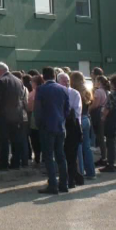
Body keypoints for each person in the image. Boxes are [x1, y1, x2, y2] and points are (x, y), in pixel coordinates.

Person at [32, 67, 69, 195]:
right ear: (54, 75)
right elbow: (67, 109)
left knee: (48, 156)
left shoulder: (41, 89)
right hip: (60, 126)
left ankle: (52, 184)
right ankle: (64, 183)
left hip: (47, 127)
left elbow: (38, 110)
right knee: (61, 155)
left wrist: (39, 124)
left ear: (43, 77)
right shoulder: (63, 89)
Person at [0, 62, 27, 171]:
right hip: (16, 115)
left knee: (3, 140)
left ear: (0, 71)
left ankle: (3, 163)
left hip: (3, 116)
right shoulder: (18, 81)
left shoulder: (1, 82)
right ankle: (15, 162)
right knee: (15, 140)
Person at [56, 72, 85, 188]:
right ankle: (69, 177)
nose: (66, 82)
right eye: (63, 80)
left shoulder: (74, 93)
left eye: (67, 80)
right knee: (63, 154)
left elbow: (77, 111)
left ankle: (72, 179)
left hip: (72, 125)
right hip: (61, 125)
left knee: (72, 155)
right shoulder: (58, 92)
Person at [70, 71, 97, 180]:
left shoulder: (74, 92)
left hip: (79, 119)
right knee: (87, 147)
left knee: (78, 148)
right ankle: (91, 172)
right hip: (87, 118)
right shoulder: (87, 91)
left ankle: (80, 172)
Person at [98, 76, 116, 173]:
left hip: (113, 120)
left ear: (114, 84)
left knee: (111, 142)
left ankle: (111, 164)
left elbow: (108, 108)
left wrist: (103, 117)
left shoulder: (113, 94)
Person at [90, 70, 108, 167]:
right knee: (102, 137)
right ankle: (104, 156)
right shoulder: (106, 91)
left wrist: (89, 109)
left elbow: (95, 104)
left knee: (100, 137)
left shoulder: (98, 91)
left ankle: (103, 157)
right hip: (104, 112)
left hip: (97, 113)